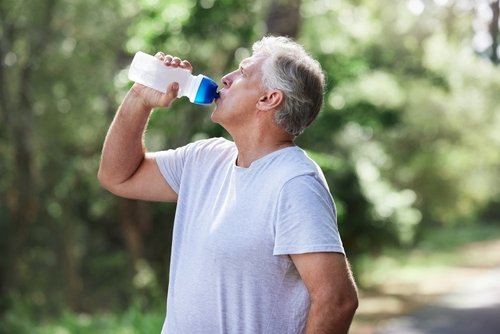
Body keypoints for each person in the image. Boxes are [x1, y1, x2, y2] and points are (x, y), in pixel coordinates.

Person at [98, 35, 358, 334]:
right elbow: (117, 176)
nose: (226, 77)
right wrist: (140, 98)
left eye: (243, 73)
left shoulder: (294, 182)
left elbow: (337, 300)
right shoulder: (204, 159)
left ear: (268, 99)